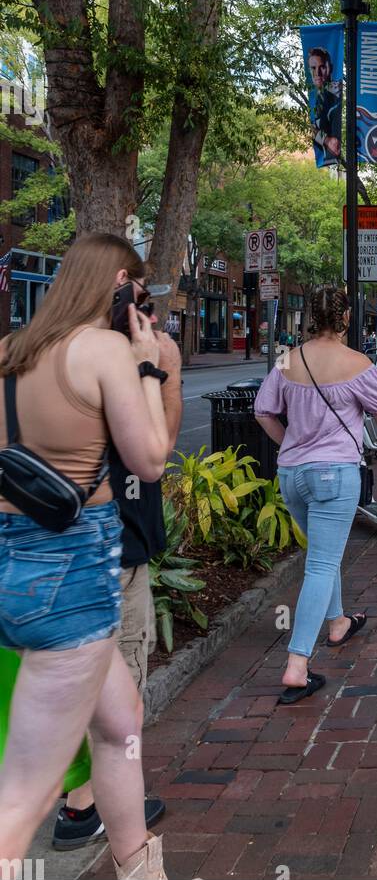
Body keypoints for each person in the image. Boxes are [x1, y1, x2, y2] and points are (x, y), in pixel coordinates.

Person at [0, 233, 172, 880]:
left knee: (119, 721)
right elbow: (150, 458)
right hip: (72, 578)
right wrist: (148, 365)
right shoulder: (102, 350)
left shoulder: (7, 354)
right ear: (118, 283)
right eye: (137, 287)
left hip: (15, 567)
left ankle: (141, 876)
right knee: (21, 802)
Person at [54, 304, 182, 851]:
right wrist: (159, 371)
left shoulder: (65, 377)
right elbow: (160, 449)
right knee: (120, 695)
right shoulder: (127, 382)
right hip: (119, 556)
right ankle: (88, 809)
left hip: (72, 555)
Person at [254, 286, 377, 705]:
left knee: (323, 555)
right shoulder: (357, 363)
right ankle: (297, 663)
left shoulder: (289, 359)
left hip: (292, 474)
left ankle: (339, 621)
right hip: (334, 475)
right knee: (322, 564)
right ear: (345, 319)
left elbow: (262, 410)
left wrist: (289, 441)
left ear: (310, 315)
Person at [308, 47, 342, 164]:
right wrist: (326, 140)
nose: (317, 73)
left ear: (330, 68)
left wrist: (326, 140)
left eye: (322, 67)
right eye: (313, 68)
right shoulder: (318, 98)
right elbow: (313, 130)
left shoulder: (336, 96)